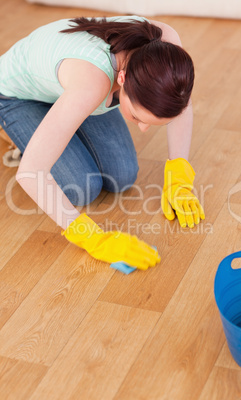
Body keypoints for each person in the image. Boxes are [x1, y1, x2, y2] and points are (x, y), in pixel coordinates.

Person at [0, 15, 205, 270]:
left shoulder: (167, 52)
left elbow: (179, 105)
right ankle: (14, 130)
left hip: (71, 91)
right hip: (18, 96)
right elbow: (31, 172)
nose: (143, 129)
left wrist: (179, 175)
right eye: (138, 117)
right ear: (122, 79)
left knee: (123, 176)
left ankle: (64, 122)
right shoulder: (92, 83)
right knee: (81, 189)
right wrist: (93, 238)